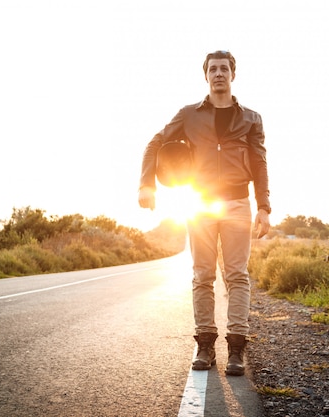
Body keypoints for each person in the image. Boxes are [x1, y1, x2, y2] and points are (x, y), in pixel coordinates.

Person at [138, 50, 271, 376]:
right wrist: (147, 185)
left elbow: (259, 162)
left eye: (224, 68)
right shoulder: (188, 115)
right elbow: (155, 143)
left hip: (239, 203)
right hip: (199, 204)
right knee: (202, 275)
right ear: (206, 75)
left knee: (237, 275)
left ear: (233, 74)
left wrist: (264, 207)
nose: (219, 73)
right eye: (213, 69)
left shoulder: (251, 118)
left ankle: (237, 349)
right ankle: (205, 345)